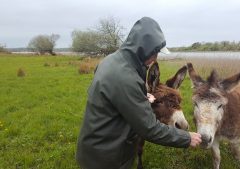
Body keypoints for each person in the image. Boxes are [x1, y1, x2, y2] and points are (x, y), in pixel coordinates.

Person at [76, 17, 201, 169]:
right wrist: (186, 138)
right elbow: (149, 128)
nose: (155, 58)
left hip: (95, 146)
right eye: (154, 52)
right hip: (107, 159)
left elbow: (113, 94)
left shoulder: (111, 60)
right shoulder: (125, 77)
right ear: (143, 48)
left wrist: (138, 95)